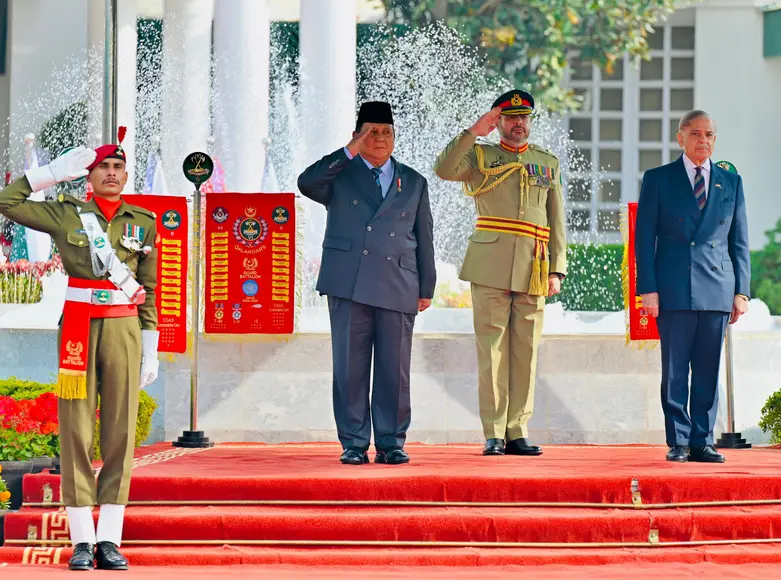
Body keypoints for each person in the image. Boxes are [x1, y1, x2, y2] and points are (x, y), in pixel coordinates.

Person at [0, 131, 160, 570]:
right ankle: (82, 541)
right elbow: (7, 202)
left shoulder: (143, 221)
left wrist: (150, 347)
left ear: (126, 175)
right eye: (102, 167)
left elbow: (149, 288)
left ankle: (110, 538)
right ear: (87, 175)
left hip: (124, 328)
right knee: (76, 430)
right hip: (77, 327)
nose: (111, 173)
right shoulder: (67, 214)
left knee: (120, 431)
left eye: (118, 167)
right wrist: (51, 174)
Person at [297, 101, 436, 466]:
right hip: (348, 282)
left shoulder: (414, 181)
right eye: (371, 132)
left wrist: (426, 288)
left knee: (394, 370)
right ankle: (354, 442)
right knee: (350, 367)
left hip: (398, 282)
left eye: (386, 132)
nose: (380, 138)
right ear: (357, 136)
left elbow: (424, 236)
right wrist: (349, 151)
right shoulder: (340, 174)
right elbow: (306, 183)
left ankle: (391, 442)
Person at [433, 89, 566, 457]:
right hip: (490, 264)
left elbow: (557, 219)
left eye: (524, 117)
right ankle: (494, 432)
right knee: (491, 351)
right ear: (499, 121)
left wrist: (557, 269)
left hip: (534, 267)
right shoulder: (480, 156)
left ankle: (517, 430)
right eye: (510, 117)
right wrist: (474, 131)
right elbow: (443, 170)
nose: (518, 123)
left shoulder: (546, 161)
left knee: (526, 351)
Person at [635, 109, 750, 464]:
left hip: (717, 287)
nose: (703, 140)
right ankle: (679, 441)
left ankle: (703, 440)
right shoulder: (659, 178)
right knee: (674, 370)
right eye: (696, 133)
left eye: (709, 134)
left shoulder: (731, 182)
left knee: (707, 369)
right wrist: (648, 288)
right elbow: (644, 238)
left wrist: (741, 291)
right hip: (674, 287)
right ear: (680, 137)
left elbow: (739, 241)